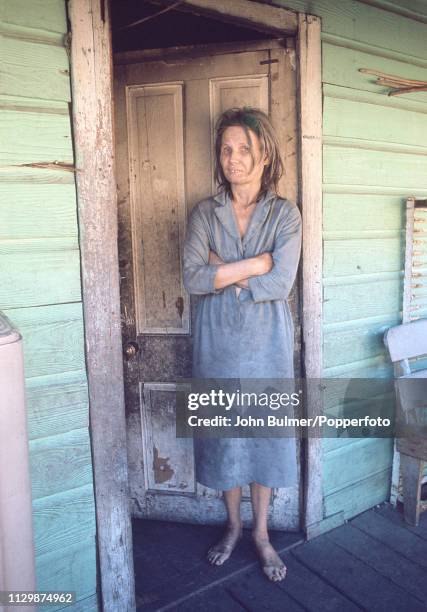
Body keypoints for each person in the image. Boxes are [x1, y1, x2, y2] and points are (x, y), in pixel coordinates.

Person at [183, 107, 302, 582]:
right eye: (226, 149)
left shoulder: (284, 214)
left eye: (243, 149)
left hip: (266, 345)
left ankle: (261, 533)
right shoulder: (204, 213)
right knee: (224, 437)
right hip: (215, 342)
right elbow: (193, 277)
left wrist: (222, 270)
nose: (232, 159)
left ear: (264, 154)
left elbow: (282, 283)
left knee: (262, 438)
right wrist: (256, 265)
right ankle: (232, 526)